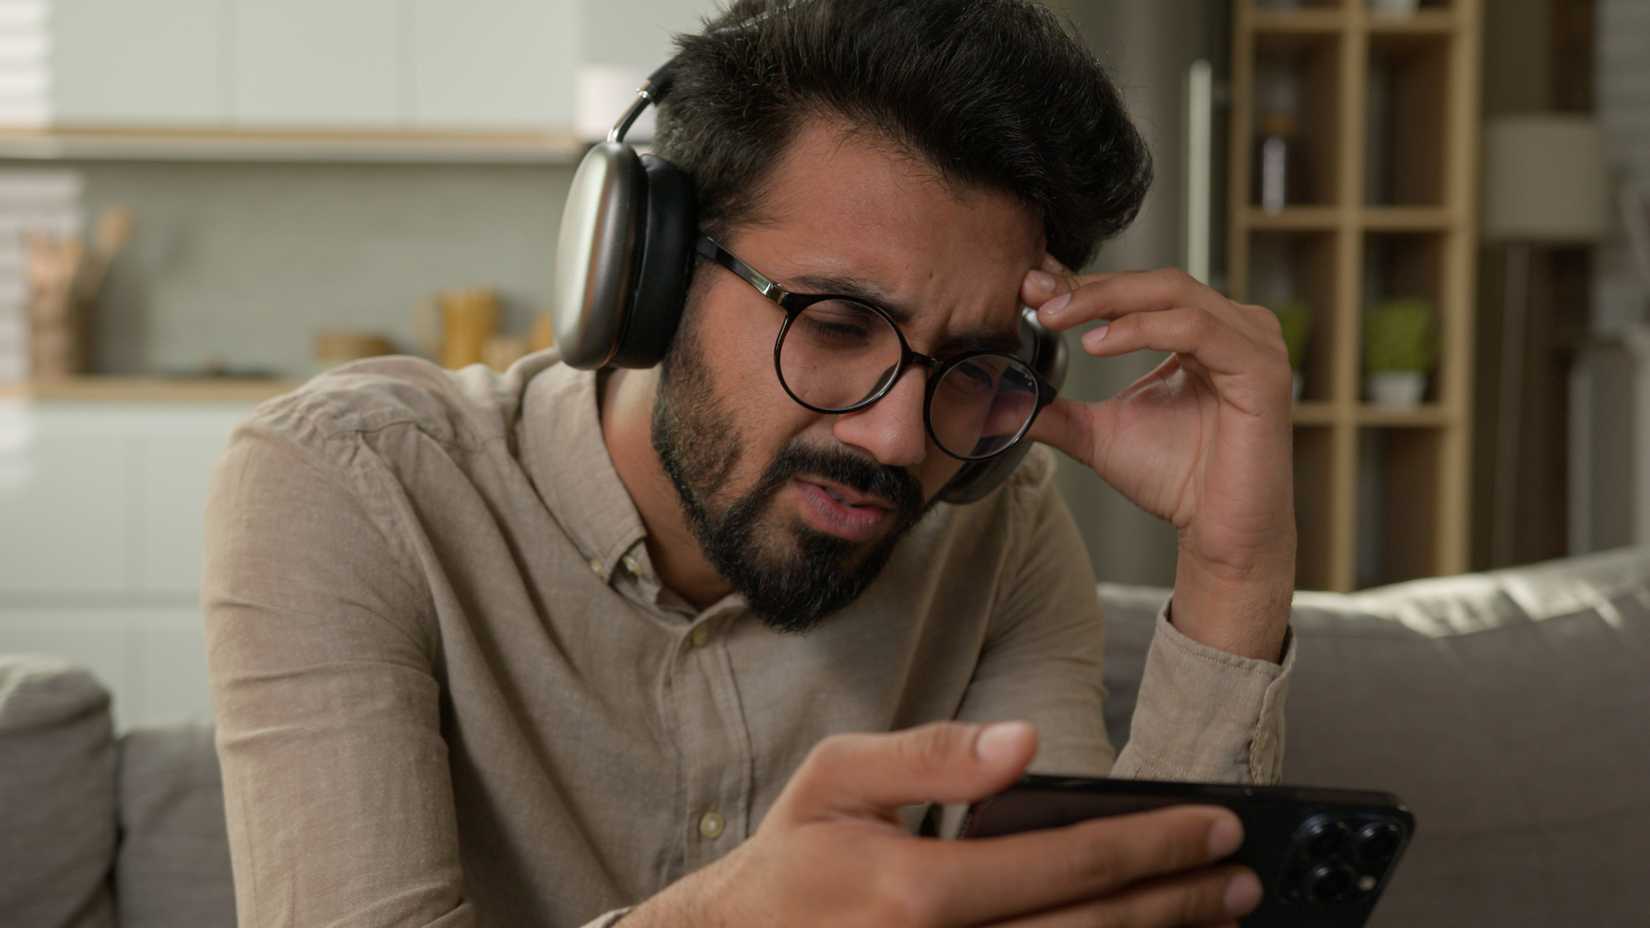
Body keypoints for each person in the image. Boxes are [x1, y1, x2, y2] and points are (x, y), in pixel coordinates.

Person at [202, 1, 1299, 925]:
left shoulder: (998, 528)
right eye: (834, 324)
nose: (898, 439)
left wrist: (1235, 569)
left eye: (970, 363)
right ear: (647, 271)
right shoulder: (349, 486)